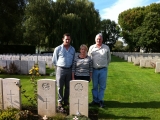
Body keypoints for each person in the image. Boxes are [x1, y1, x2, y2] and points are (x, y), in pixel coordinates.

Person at [52, 33, 75, 109]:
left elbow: (74, 60)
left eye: (69, 39)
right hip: (60, 69)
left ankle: (66, 101)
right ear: (63, 39)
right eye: (66, 39)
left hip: (69, 69)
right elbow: (54, 60)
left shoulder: (72, 49)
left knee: (68, 87)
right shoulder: (58, 49)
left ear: (70, 40)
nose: (67, 40)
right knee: (60, 86)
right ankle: (59, 101)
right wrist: (59, 67)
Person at [88, 33, 111, 108]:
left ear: (102, 39)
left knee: (102, 86)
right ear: (95, 40)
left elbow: (109, 58)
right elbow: (89, 58)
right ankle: (95, 100)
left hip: (103, 70)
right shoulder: (91, 47)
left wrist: (104, 65)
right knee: (94, 86)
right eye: (97, 39)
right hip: (94, 70)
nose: (98, 40)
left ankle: (100, 100)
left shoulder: (106, 48)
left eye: (100, 39)